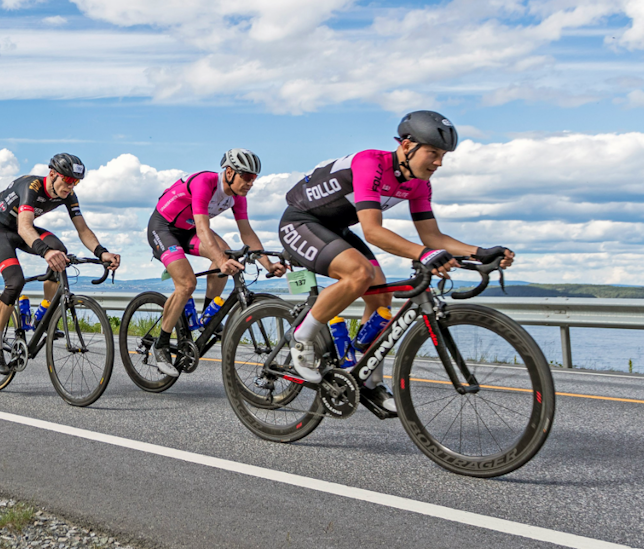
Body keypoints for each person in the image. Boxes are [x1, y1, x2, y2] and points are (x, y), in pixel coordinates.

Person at [277, 110, 514, 414]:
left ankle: (366, 377)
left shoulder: (418, 184)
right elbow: (373, 231)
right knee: (359, 274)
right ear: (406, 146)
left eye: (443, 155)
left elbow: (432, 236)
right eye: (433, 153)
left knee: (381, 296)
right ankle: (302, 340)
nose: (439, 162)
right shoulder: (370, 163)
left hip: (335, 228)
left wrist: (479, 252)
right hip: (300, 221)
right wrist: (423, 254)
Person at [146, 149, 286, 377]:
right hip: (164, 228)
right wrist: (220, 260)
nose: (251, 183)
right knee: (187, 284)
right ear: (229, 172)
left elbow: (247, 233)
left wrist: (267, 264)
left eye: (254, 178)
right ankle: (160, 344)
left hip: (188, 230)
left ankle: (207, 318)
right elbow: (203, 229)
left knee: (228, 256)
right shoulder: (205, 182)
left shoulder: (239, 197)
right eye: (247, 177)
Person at [0, 153, 121, 373]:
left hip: (24, 230)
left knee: (61, 254)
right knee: (15, 282)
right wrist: (45, 251)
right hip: (2, 231)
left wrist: (101, 252)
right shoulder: (32, 187)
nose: (70, 186)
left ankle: (43, 314)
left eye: (75, 182)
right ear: (52, 174)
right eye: (67, 181)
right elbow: (24, 227)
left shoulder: (68, 195)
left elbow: (83, 229)